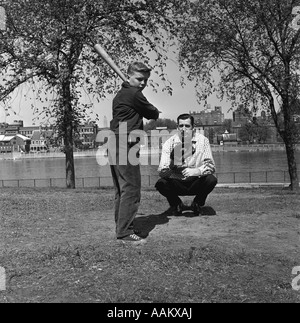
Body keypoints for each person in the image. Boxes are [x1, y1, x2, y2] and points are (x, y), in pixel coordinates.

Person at [108, 61, 160, 244]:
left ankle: (122, 227)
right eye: (139, 79)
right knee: (131, 189)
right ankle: (124, 232)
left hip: (115, 142)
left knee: (122, 190)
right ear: (128, 76)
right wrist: (155, 110)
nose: (143, 83)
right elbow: (152, 113)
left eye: (145, 80)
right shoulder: (133, 93)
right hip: (124, 143)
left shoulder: (122, 93)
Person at [155, 113, 217, 216]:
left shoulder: (203, 141)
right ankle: (176, 204)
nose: (184, 129)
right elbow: (161, 172)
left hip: (196, 181)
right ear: (177, 127)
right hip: (177, 181)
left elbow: (211, 166)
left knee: (211, 180)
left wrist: (197, 171)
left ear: (193, 127)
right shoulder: (169, 143)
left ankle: (197, 203)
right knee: (161, 184)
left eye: (187, 126)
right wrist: (172, 165)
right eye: (181, 126)